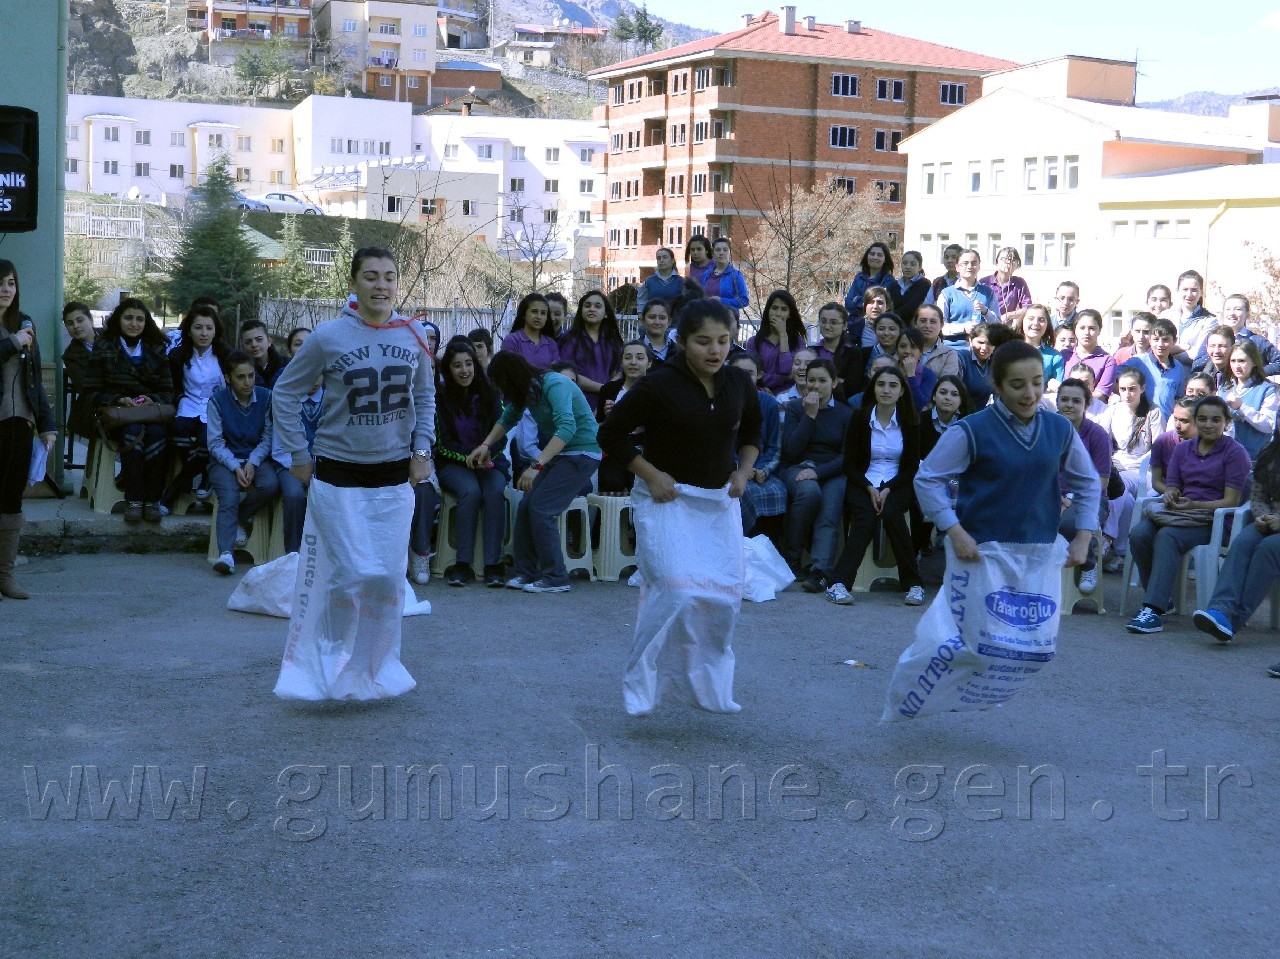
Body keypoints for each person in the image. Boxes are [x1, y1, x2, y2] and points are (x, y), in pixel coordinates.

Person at [271, 246, 436, 702]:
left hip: (393, 477)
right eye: (370, 276)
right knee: (347, 574)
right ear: (353, 282)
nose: (381, 285)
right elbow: (284, 394)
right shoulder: (327, 337)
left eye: (389, 276)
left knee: (385, 578)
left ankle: (375, 667)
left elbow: (424, 397)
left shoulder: (414, 334)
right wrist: (297, 455)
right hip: (338, 474)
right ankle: (328, 662)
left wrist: (422, 450)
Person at [596, 298, 761, 716]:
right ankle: (642, 682)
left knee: (723, 600)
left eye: (724, 341)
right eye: (704, 341)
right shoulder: (658, 384)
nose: (715, 350)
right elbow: (610, 435)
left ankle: (707, 689)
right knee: (678, 591)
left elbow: (754, 431)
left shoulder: (739, 383)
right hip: (664, 500)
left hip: (718, 504)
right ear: (682, 341)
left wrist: (743, 472)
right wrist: (651, 475)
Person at [915, 340, 1097, 580]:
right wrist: (954, 531)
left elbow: (1088, 483)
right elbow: (927, 480)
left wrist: (1083, 536)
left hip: (1038, 554)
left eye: (1037, 382)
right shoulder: (971, 430)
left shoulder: (1060, 428)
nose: (1030, 394)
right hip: (981, 554)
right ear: (997, 386)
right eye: (1017, 385)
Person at [469, 351, 600, 593]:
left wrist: (536, 465)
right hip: (562, 454)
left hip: (582, 453)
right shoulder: (527, 392)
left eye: (501, 384)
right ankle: (526, 573)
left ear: (511, 378)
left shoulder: (555, 384)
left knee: (541, 509)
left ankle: (556, 578)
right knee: (527, 505)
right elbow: (508, 418)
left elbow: (567, 428)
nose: (501, 390)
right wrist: (486, 445)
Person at [1126, 395, 1249, 634]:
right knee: (1139, 534)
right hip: (1179, 513)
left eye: (1215, 420)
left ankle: (1152, 609)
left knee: (1167, 536)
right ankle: (1163, 598)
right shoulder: (1183, 449)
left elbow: (1231, 501)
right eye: (1202, 419)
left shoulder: (1235, 453)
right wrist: (1172, 496)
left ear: (1227, 422)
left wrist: (1194, 505)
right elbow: (1172, 486)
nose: (1208, 425)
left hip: (1213, 520)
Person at [824, 366, 924, 606]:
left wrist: (888, 488)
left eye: (893, 385)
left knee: (892, 514)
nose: (886, 390)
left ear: (901, 391)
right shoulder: (859, 418)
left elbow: (910, 468)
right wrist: (870, 488)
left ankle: (913, 585)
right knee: (865, 519)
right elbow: (850, 465)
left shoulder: (910, 421)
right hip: (863, 483)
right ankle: (839, 584)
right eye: (881, 384)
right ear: (873, 388)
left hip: (897, 484)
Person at [82, 298, 174, 524]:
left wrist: (150, 399)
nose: (134, 324)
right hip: (117, 418)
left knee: (157, 435)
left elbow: (168, 391)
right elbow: (90, 391)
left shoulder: (157, 349)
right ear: (118, 320)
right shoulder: (104, 348)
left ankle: (152, 499)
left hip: (149, 415)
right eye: (129, 318)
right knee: (133, 431)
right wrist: (118, 399)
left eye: (140, 319)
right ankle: (134, 499)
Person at [0, 260, 56, 599]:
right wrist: (12, 343)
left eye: (10, 283)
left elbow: (34, 382)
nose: (5, 290)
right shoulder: (19, 334)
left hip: (19, 423)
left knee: (11, 498)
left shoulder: (24, 324)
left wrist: (47, 425)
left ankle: (5, 576)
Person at [434, 339, 510, 588]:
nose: (464, 370)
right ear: (449, 370)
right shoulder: (440, 398)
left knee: (494, 492)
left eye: (469, 364)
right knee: (470, 491)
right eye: (457, 366)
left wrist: (485, 454)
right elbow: (443, 444)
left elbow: (501, 433)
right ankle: (462, 563)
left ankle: (493, 565)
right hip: (454, 464)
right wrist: (470, 456)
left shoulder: (492, 394)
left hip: (491, 461)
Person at [1193, 435, 1280, 643]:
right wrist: (1261, 516)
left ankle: (1232, 621)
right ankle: (1219, 610)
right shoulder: (1271, 450)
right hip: (1270, 519)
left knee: (1267, 548)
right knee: (1243, 541)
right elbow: (1258, 496)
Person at [779, 358, 853, 592]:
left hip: (831, 470)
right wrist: (809, 416)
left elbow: (846, 457)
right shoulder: (794, 408)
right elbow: (790, 450)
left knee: (830, 506)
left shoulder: (845, 413)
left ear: (834, 383)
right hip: (797, 468)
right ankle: (792, 557)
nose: (816, 386)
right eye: (811, 380)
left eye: (822, 380)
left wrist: (818, 472)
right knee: (809, 493)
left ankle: (820, 571)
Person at [206, 351, 279, 575]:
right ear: (228, 378)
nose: (248, 382)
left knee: (270, 485)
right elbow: (215, 443)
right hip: (225, 460)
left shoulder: (266, 397)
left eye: (251, 375)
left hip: (256, 457)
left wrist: (253, 462)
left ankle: (239, 516)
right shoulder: (217, 402)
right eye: (241, 377)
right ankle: (226, 554)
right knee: (228, 494)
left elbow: (268, 437)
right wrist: (235, 466)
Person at [161, 304, 228, 511]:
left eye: (209, 328)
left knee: (206, 440)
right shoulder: (178, 355)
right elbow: (172, 385)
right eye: (198, 327)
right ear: (189, 330)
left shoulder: (225, 355)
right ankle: (204, 468)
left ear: (215, 330)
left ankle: (171, 493)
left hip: (216, 408)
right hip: (188, 406)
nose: (204, 333)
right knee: (175, 433)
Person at [1098, 366, 1164, 573]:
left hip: (1142, 471)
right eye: (1123, 389)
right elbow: (1103, 440)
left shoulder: (1153, 411)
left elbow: (1157, 448)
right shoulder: (1113, 410)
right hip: (1117, 466)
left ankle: (1106, 539)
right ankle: (1120, 552)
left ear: (1142, 389)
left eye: (1132, 389)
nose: (1127, 394)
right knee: (1125, 500)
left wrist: (1131, 466)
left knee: (1119, 484)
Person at [1055, 379, 1110, 595]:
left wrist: (1071, 499)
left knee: (1070, 523)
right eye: (1064, 399)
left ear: (1086, 405)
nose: (1069, 405)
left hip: (1090, 500)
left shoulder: (1097, 435)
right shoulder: (1049, 429)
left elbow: (1102, 482)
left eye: (1076, 401)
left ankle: (1088, 564)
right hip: (1052, 497)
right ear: (1057, 402)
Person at [731, 352, 786, 537]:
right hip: (732, 470)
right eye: (738, 373)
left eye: (750, 373)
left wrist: (763, 470)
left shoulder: (769, 403)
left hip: (763, 470)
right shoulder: (722, 402)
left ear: (759, 375)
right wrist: (742, 468)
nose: (744, 378)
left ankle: (772, 548)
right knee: (742, 494)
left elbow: (775, 445)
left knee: (778, 492)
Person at [596, 340, 653, 493]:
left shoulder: (657, 390)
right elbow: (599, 424)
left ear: (649, 363)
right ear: (621, 361)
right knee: (611, 482)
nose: (633, 362)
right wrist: (610, 419)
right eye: (628, 357)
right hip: (615, 448)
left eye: (640, 358)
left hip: (647, 450)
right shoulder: (609, 389)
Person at [558, 290, 623, 414]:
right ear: (581, 311)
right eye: (587, 306)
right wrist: (604, 389)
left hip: (608, 405)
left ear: (606, 313)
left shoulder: (613, 340)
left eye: (597, 306)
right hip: (577, 403)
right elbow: (569, 375)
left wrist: (607, 393)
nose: (591, 309)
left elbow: (618, 371)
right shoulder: (569, 339)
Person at [1220, 340, 1278, 462]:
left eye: (1242, 361)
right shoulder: (1224, 387)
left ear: (1254, 362)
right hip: (1223, 457)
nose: (1237, 366)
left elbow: (1268, 425)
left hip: (1253, 459)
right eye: (1233, 361)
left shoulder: (1266, 389)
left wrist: (1241, 407)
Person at [1122, 318, 1189, 421]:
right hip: (1142, 423)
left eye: (1165, 340)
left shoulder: (1178, 367)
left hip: (1167, 423)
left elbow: (1178, 397)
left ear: (1174, 341)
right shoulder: (1138, 362)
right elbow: (1114, 377)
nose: (1160, 344)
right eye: (1156, 339)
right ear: (1150, 340)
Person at [746, 289, 806, 393]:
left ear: (790, 314)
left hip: (790, 397)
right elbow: (752, 374)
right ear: (768, 311)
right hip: (761, 394)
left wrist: (783, 335)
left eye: (783, 309)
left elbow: (787, 370)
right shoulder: (754, 342)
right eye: (774, 308)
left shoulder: (798, 342)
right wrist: (781, 379)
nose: (778, 313)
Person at [937, 249, 1000, 340]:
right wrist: (963, 328)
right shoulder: (947, 294)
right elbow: (940, 326)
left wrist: (986, 312)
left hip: (982, 347)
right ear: (957, 267)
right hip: (954, 347)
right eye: (965, 263)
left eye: (974, 263)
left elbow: (998, 324)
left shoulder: (988, 292)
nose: (969, 267)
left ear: (979, 266)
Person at [1212, 294, 1280, 376]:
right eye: (1228, 309)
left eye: (1238, 309)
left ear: (1247, 314)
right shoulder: (1213, 338)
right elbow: (1200, 364)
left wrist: (1255, 374)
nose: (1232, 313)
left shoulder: (1257, 341)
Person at [61, 301, 99, 441]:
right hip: (100, 410)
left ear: (90, 319)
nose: (76, 326)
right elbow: (86, 388)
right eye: (70, 323)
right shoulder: (71, 355)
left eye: (80, 320)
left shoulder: (111, 338)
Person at [812, 301, 864, 400]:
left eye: (833, 322)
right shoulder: (812, 351)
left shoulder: (853, 353)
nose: (827, 326)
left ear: (844, 326)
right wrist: (836, 382)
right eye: (823, 321)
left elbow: (852, 388)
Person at [1062, 309, 1117, 401]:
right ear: (1075, 329)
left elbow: (1100, 395)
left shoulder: (1107, 361)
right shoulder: (1064, 355)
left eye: (1092, 328)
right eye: (1082, 328)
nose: (1086, 333)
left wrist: (1070, 396)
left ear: (1099, 330)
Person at [1163, 269, 1216, 357]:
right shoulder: (1166, 316)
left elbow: (1199, 353)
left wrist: (1168, 356)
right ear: (1177, 290)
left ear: (1201, 292)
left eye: (1194, 290)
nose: (1189, 294)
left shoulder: (1210, 321)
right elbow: (1155, 346)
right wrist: (1184, 348)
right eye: (1185, 289)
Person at [1150, 397, 1198, 494]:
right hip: (1171, 495)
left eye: (1184, 421)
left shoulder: (1208, 443)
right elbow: (1156, 482)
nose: (1177, 425)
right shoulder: (1162, 442)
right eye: (1175, 419)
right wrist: (1172, 494)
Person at [500, 293, 560, 370]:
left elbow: (557, 372)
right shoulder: (512, 341)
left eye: (543, 313)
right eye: (534, 311)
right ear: (524, 314)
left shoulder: (551, 344)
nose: (539, 317)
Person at [844, 241, 895, 322]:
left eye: (880, 255)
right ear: (867, 256)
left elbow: (879, 305)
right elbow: (848, 304)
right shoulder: (859, 277)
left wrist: (856, 300)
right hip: (855, 324)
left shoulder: (888, 280)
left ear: (885, 259)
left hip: (876, 325)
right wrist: (866, 303)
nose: (875, 257)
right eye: (872, 254)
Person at [980, 247, 1032, 326]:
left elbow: (1028, 308)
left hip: (1005, 329)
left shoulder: (1020, 283)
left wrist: (1009, 315)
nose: (1008, 262)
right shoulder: (984, 282)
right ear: (997, 261)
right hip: (985, 327)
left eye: (1013, 260)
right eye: (1004, 259)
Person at [701, 237, 750, 317]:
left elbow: (744, 301)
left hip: (728, 321)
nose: (721, 253)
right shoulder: (706, 274)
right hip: (707, 320)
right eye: (718, 250)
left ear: (729, 252)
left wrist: (721, 300)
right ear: (713, 253)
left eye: (725, 250)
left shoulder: (736, 275)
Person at [914, 304, 962, 379]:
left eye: (933, 322)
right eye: (923, 321)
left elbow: (946, 384)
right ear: (915, 324)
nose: (927, 325)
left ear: (941, 325)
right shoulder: (905, 348)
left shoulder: (949, 354)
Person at [896, 326, 937, 412]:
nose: (907, 351)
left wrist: (911, 375)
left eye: (913, 347)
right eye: (903, 346)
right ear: (897, 349)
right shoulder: (889, 369)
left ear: (921, 352)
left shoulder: (929, 375)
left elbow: (919, 405)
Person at [958, 322, 995, 408]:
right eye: (980, 342)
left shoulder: (995, 362)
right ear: (971, 341)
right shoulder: (961, 358)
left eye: (990, 343)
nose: (984, 348)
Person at [239, 320, 285, 388]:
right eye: (248, 342)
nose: (254, 345)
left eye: (259, 339)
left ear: (269, 341)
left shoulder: (286, 365)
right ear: (242, 346)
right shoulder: (239, 370)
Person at [636, 246, 683, 313]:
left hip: (675, 321)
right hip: (654, 320)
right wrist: (641, 316)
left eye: (665, 257)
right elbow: (641, 302)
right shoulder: (649, 282)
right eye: (658, 258)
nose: (661, 260)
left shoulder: (681, 282)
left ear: (672, 261)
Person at [894, 250, 931, 325]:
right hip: (893, 325)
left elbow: (912, 307)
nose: (908, 267)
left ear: (920, 267)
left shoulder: (925, 284)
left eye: (912, 264)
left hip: (913, 327)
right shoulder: (894, 284)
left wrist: (892, 316)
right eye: (904, 263)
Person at [1192, 325, 1233, 389]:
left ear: (1232, 347)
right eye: (1212, 346)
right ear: (1206, 347)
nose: (1216, 351)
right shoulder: (1200, 375)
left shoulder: (1239, 377)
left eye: (1222, 346)